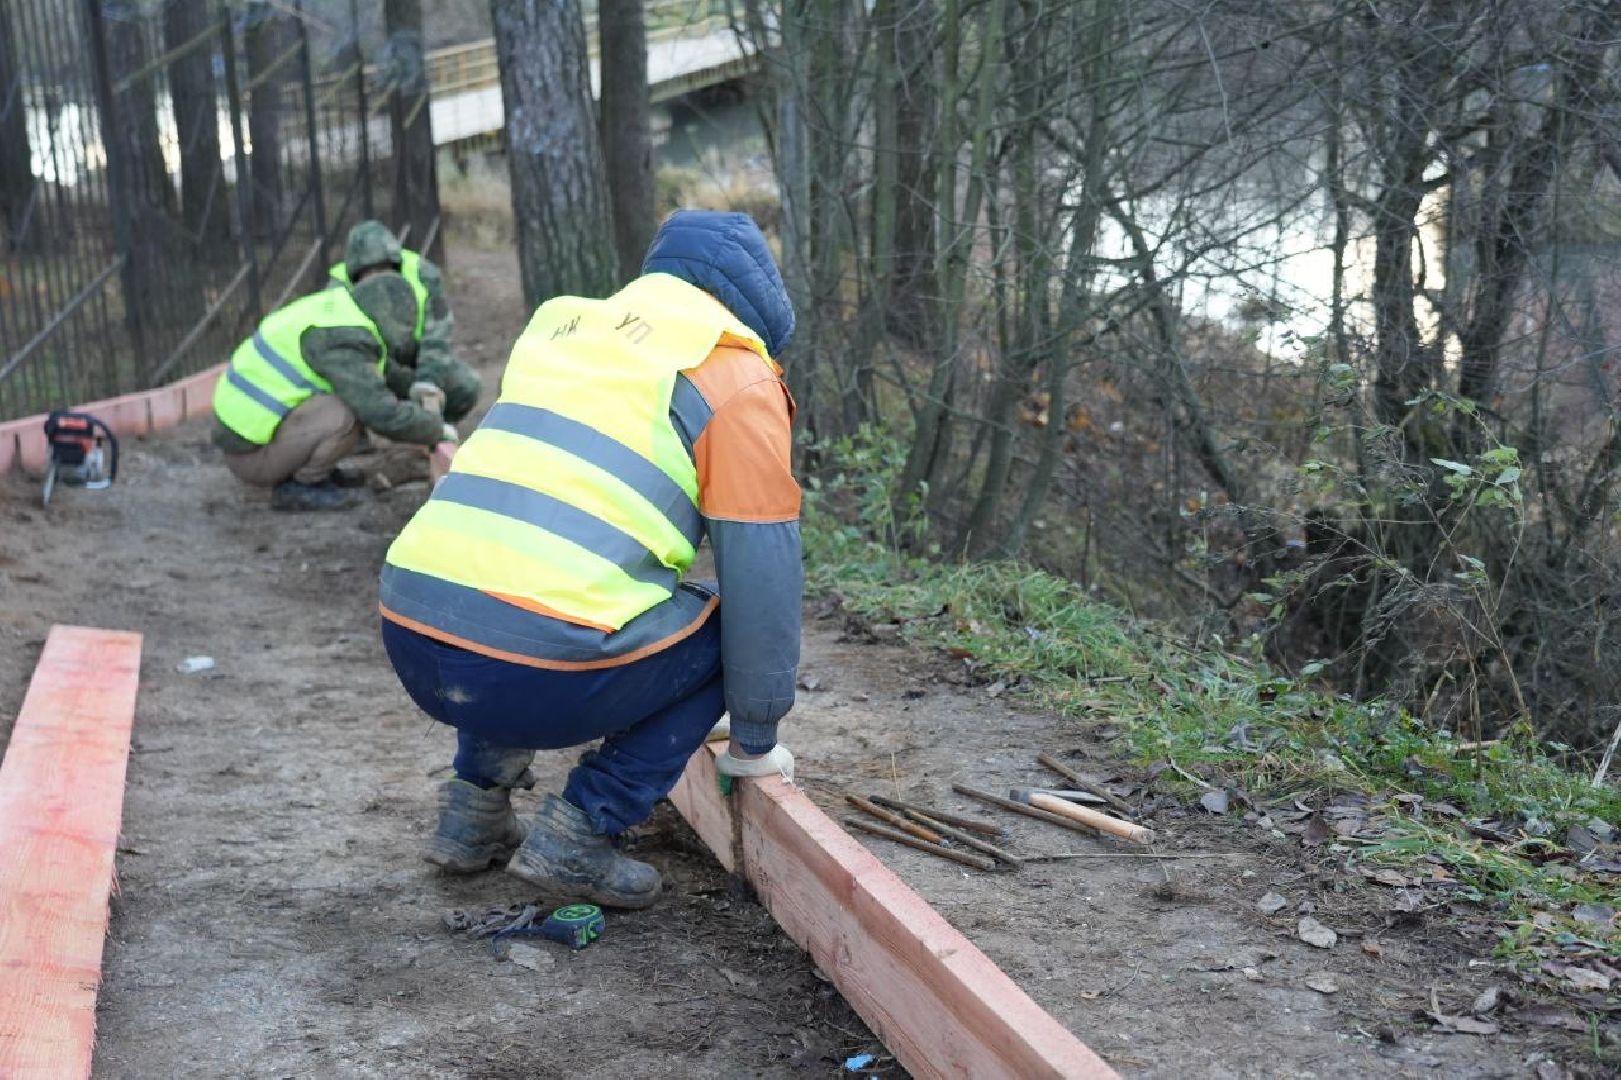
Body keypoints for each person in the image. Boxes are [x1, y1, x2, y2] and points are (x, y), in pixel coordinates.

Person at [378, 210, 801, 909]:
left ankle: (472, 814)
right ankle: (583, 827)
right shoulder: (734, 374)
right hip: (530, 671)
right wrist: (754, 739)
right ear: (756, 310)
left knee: (514, 576)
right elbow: (764, 583)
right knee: (730, 632)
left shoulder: (568, 331)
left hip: (411, 629)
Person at [212, 272, 459, 511]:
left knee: (342, 402)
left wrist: (412, 388)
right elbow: (379, 412)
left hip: (251, 439)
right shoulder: (343, 339)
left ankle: (313, 470)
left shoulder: (341, 311)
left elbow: (379, 371)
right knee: (346, 414)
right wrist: (435, 429)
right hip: (252, 457)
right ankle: (301, 485)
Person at [329, 221, 481, 426]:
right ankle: (356, 433)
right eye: (369, 274)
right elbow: (343, 354)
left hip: (414, 357)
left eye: (384, 269)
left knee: (465, 385)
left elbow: (437, 336)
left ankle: (435, 427)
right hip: (369, 363)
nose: (378, 281)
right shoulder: (337, 291)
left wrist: (428, 383)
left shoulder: (422, 274)